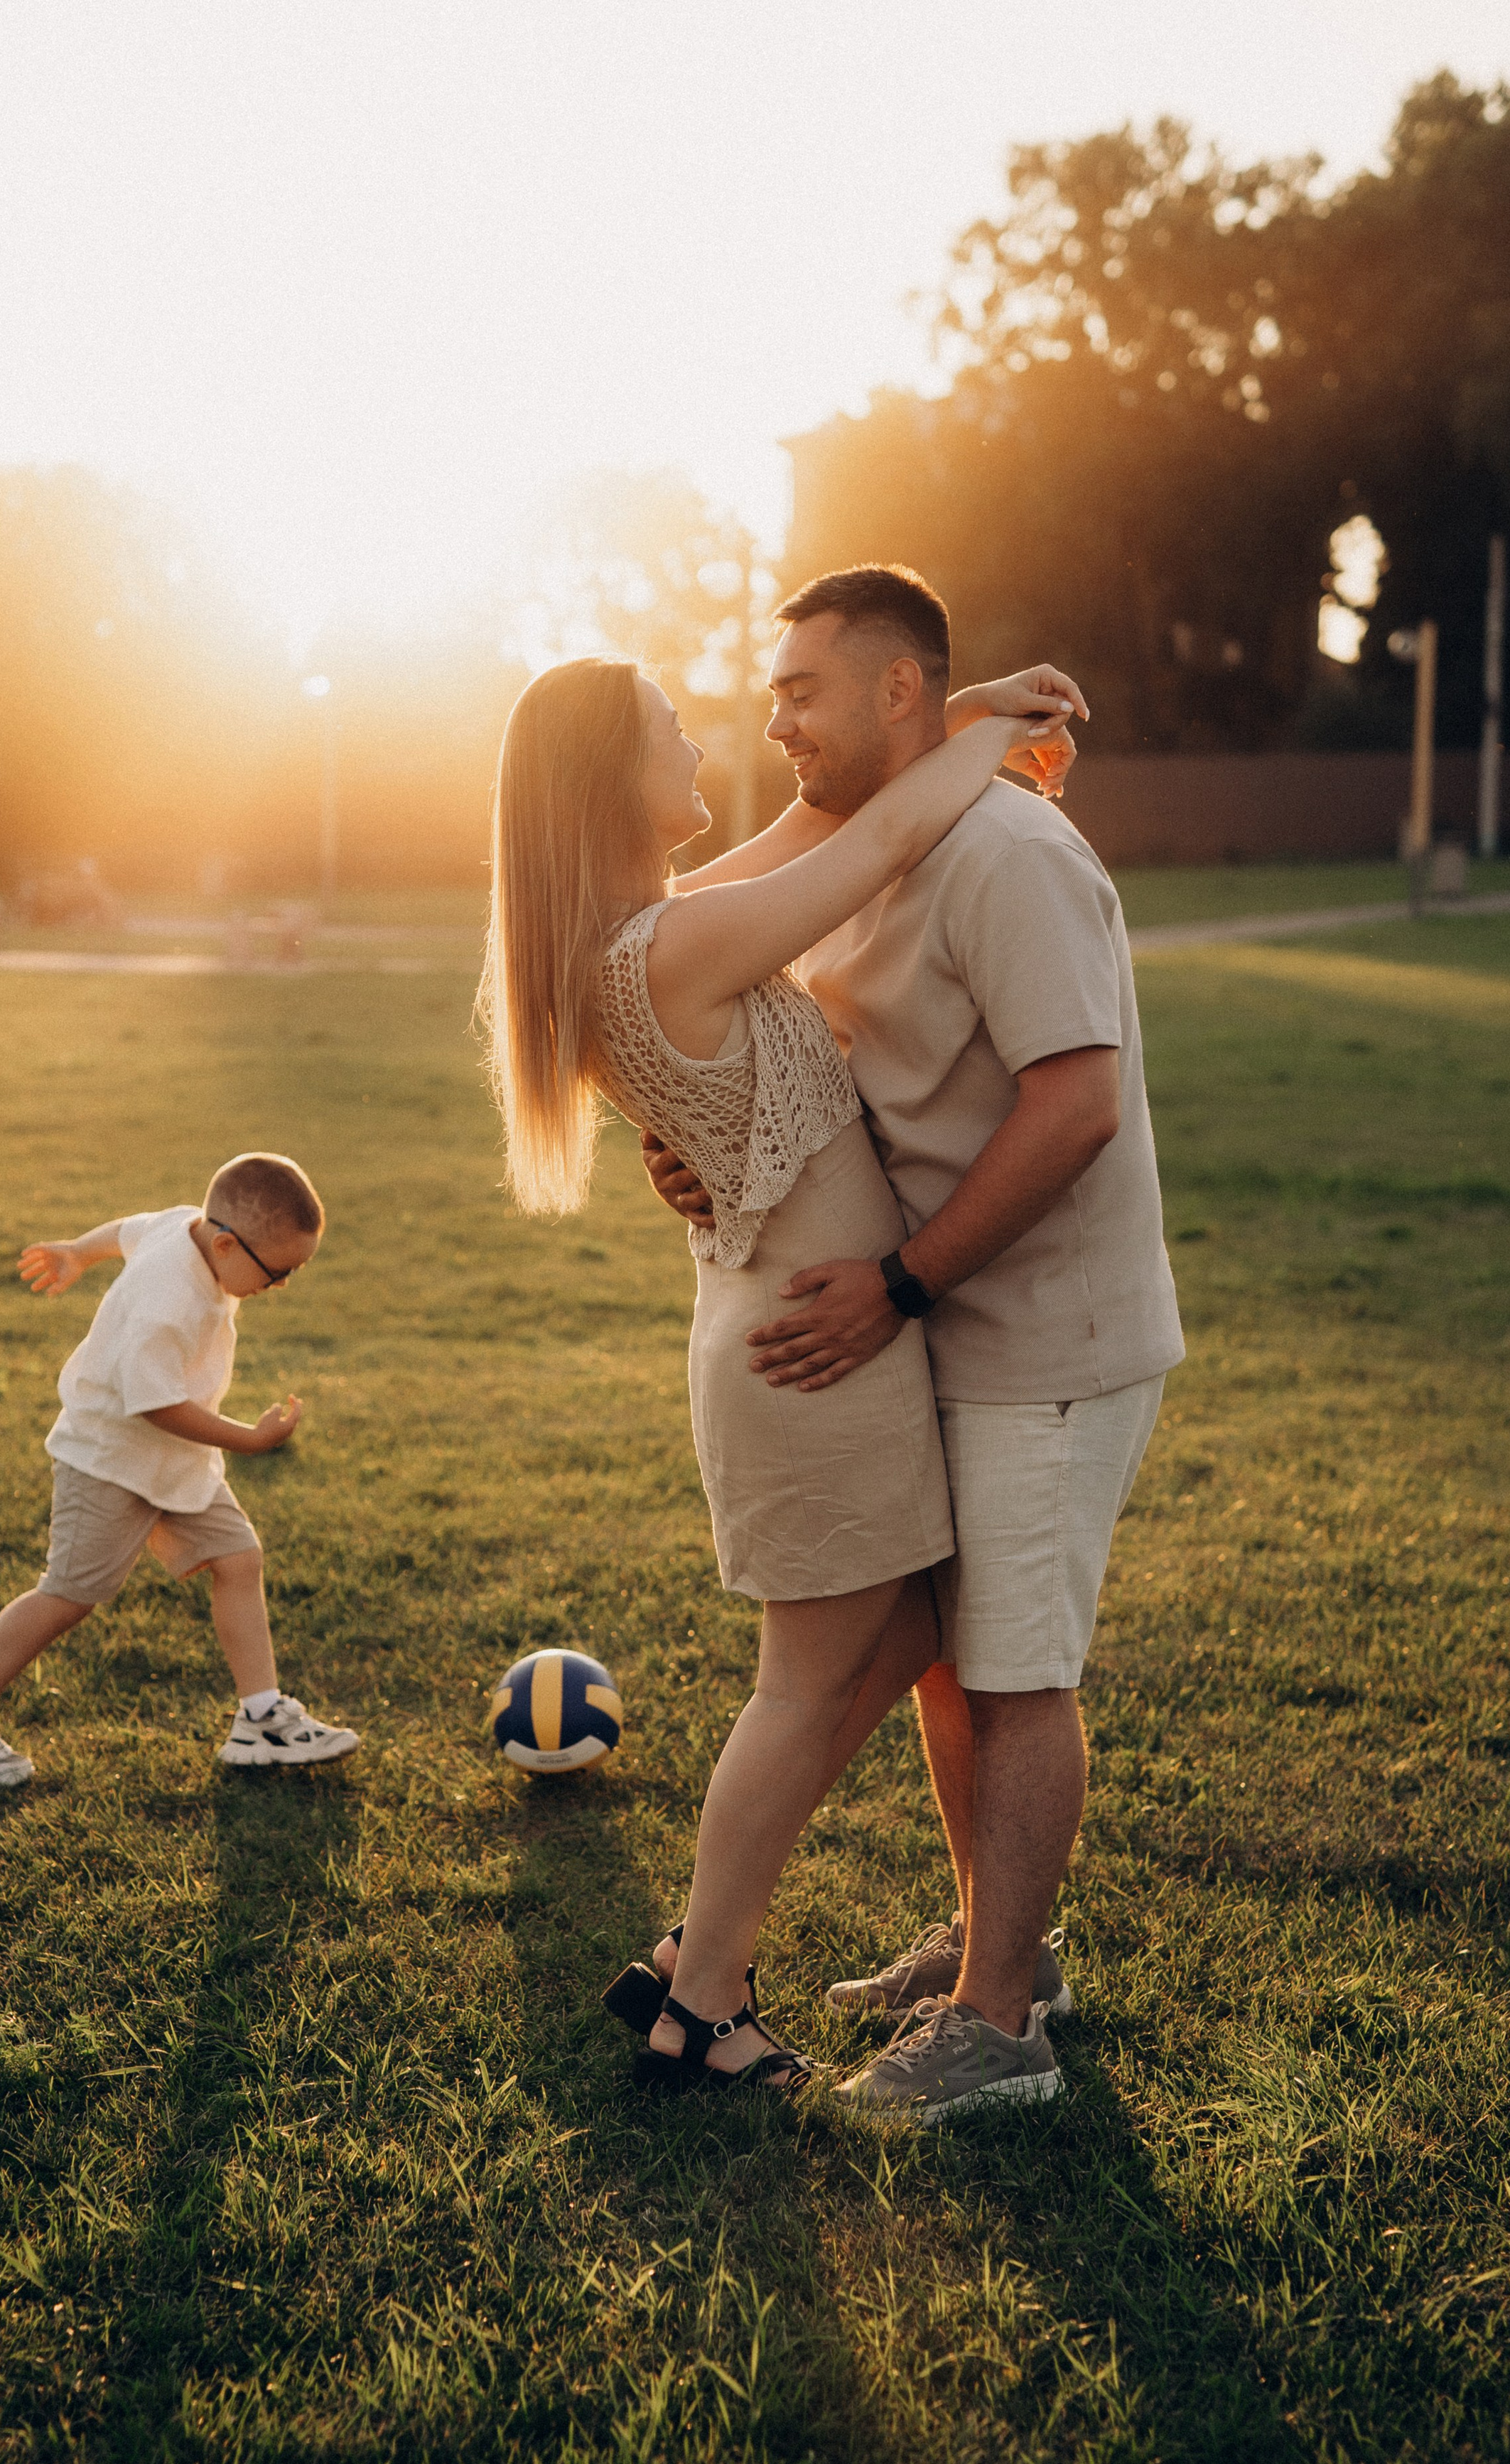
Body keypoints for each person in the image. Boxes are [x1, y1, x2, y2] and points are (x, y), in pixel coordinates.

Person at [480, 651, 1082, 2095]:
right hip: (804, 1356)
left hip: (824, 1346)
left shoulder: (661, 927)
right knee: (805, 1687)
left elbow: (824, 825)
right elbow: (872, 840)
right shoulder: (664, 952)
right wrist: (989, 725)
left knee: (905, 1636)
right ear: (604, 785)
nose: (704, 742)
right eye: (668, 730)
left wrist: (939, 709)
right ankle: (700, 1992)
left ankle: (722, 1940)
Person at [642, 563, 1184, 2119]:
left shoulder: (1009, 850)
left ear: (898, 691)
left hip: (1040, 1335)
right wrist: (703, 1162)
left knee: (1014, 1674)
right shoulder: (869, 849)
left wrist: (894, 1285)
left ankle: (998, 2030)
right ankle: (994, 1946)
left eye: (802, 688)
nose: (773, 717)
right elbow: (838, 1079)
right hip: (949, 1317)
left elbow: (1070, 1108)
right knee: (957, 1662)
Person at [0, 1152, 360, 1788]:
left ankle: (261, 1720)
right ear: (224, 1242)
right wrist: (249, 1441)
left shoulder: (186, 1227)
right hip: (110, 1460)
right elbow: (157, 1405)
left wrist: (80, 1252)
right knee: (67, 1596)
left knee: (238, 1559)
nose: (280, 1287)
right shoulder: (169, 1302)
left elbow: (127, 1229)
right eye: (278, 1273)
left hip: (175, 1464)